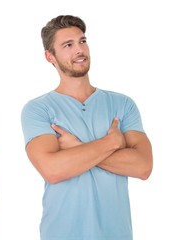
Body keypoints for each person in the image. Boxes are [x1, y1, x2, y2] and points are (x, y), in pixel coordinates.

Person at [21, 15, 153, 240]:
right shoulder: (38, 110)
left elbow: (143, 167)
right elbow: (53, 170)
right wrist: (111, 143)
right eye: (68, 45)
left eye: (82, 41)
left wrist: (78, 149)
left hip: (117, 234)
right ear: (49, 56)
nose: (79, 50)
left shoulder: (122, 104)